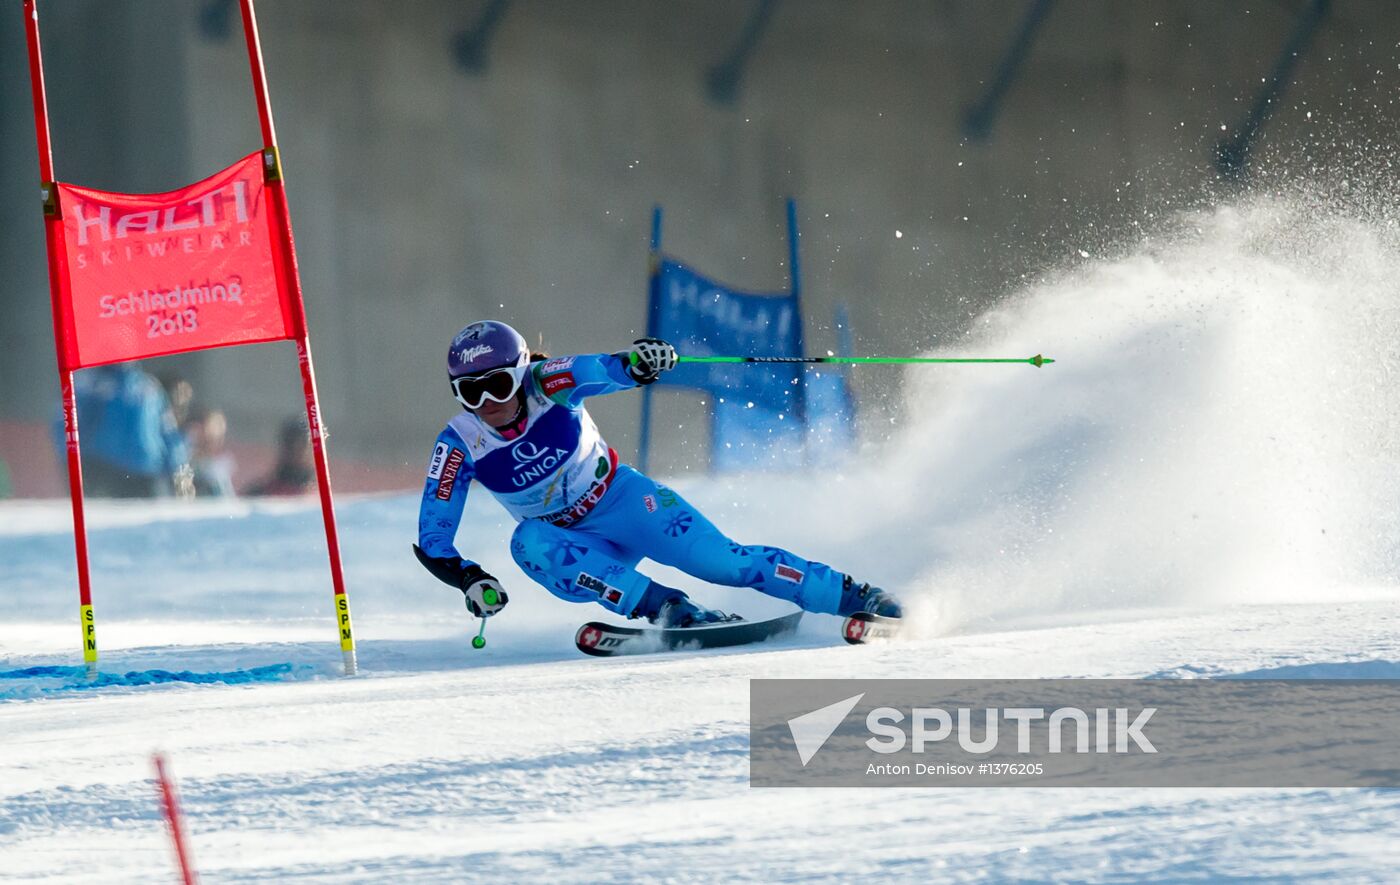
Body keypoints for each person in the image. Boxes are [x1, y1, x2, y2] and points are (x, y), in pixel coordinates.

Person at [413, 320, 901, 627]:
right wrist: (470, 580)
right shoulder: (459, 444)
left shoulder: (550, 382)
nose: (488, 404)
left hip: (625, 503)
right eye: (469, 393)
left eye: (497, 385)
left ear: (520, 373)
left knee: (724, 563)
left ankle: (850, 594)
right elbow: (434, 538)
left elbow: (601, 368)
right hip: (575, 548)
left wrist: (639, 363)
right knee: (527, 542)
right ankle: (667, 608)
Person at [53, 363, 192, 498]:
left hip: (147, 472)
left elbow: (168, 431)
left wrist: (178, 468)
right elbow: (67, 424)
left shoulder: (149, 387)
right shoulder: (91, 385)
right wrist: (71, 463)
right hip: (104, 471)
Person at [246, 417, 315, 496]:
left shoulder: (321, 500)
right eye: (291, 444)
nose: (296, 451)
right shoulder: (259, 494)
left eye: (303, 444)